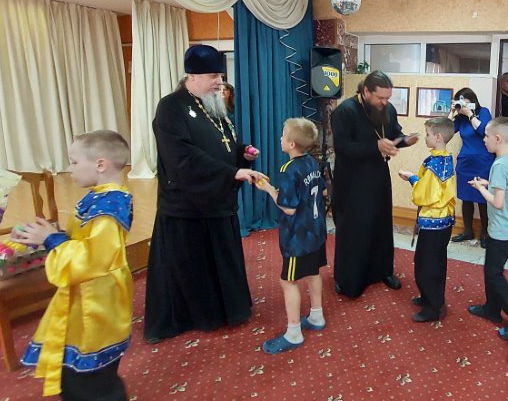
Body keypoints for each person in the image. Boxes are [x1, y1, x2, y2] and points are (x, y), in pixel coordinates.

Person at [144, 45, 266, 343]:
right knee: (193, 269)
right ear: (192, 76)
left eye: (220, 76)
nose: (219, 82)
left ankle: (228, 309)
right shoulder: (171, 108)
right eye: (213, 76)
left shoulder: (213, 105)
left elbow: (224, 143)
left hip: (217, 200)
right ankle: (198, 316)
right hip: (188, 208)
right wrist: (230, 173)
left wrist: (243, 153)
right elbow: (182, 156)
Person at [12, 131, 133, 399]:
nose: (70, 168)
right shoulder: (101, 196)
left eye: (75, 162)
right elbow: (84, 242)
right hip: (89, 295)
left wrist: (52, 240)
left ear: (100, 164)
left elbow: (94, 258)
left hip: (96, 302)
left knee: (90, 381)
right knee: (80, 373)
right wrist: (45, 237)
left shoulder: (109, 207)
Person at [331, 70, 418, 298]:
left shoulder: (387, 109)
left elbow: (394, 133)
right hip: (351, 181)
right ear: (366, 91)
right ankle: (349, 279)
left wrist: (406, 140)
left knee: (380, 225)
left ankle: (383, 271)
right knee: (354, 230)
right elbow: (342, 148)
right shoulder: (345, 111)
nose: (385, 102)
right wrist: (376, 147)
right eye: (381, 97)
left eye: (388, 98)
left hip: (378, 176)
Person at [254, 118, 327, 354]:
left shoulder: (289, 169)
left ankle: (294, 333)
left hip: (298, 238)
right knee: (313, 273)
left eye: (283, 134)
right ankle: (316, 316)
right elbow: (322, 190)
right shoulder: (313, 163)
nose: (280, 138)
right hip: (316, 232)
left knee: (288, 281)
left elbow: (288, 208)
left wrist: (268, 189)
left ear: (292, 143)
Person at [466, 117, 508, 340]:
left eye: (486, 136)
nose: (484, 139)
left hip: (501, 228)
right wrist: (488, 184)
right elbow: (507, 186)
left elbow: (497, 202)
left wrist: (480, 188)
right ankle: (492, 309)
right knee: (492, 269)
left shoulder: (499, 165)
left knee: (494, 274)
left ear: (498, 138)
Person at [397, 117, 457, 322]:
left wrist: (411, 178)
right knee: (433, 261)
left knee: (427, 266)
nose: (426, 138)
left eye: (428, 134)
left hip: (434, 222)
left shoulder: (435, 165)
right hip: (442, 220)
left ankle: (434, 307)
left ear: (438, 137)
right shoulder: (443, 158)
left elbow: (424, 195)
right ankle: (428, 296)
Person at [448, 88, 495, 247]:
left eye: (465, 101)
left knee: (483, 198)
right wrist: (452, 113)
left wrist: (470, 114)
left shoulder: (484, 112)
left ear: (472, 100)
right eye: (460, 101)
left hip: (483, 161)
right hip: (465, 162)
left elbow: (484, 131)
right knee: (466, 198)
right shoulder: (460, 118)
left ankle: (485, 233)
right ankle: (467, 231)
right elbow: (446, 132)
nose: (463, 104)